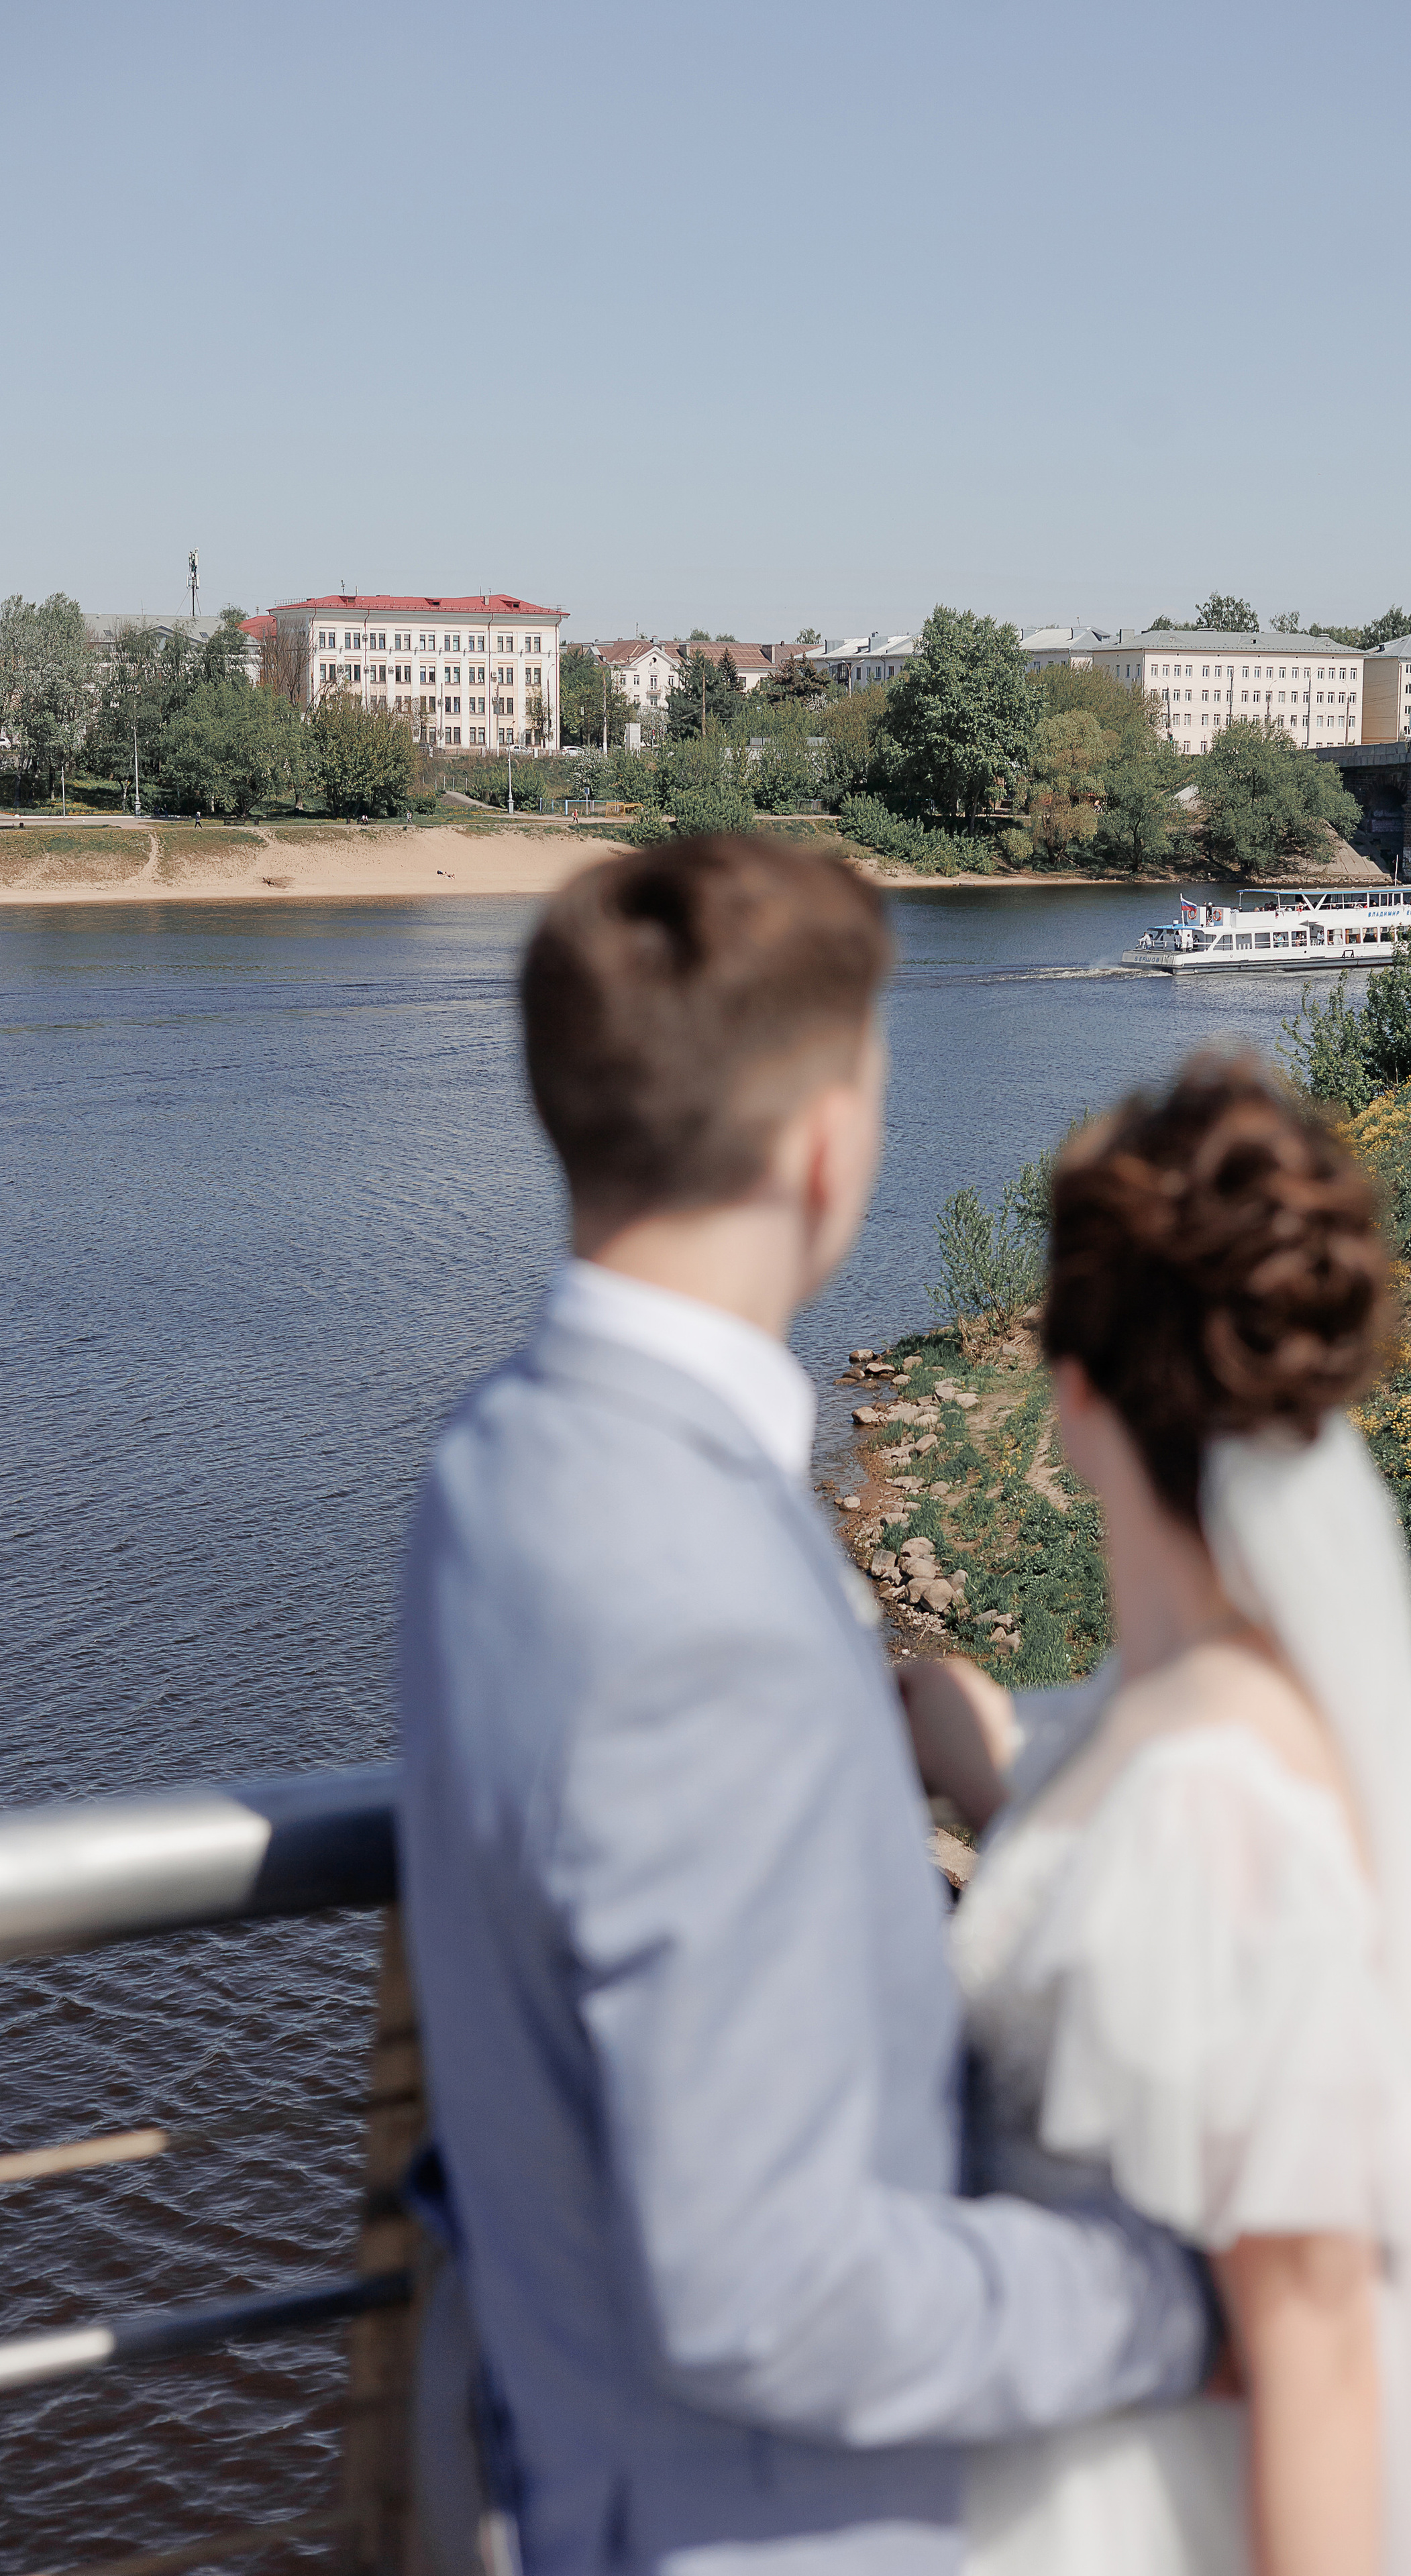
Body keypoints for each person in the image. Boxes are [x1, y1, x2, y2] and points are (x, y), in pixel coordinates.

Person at [396, 837, 1219, 2576]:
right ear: (829, 1147)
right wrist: (1180, 2300)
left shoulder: (493, 1464)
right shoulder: (705, 1616)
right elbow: (769, 2292)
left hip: (562, 2450)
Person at [902, 1056, 1411, 2576]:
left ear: (1071, 1392)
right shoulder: (1189, 1720)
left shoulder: (1208, 1811)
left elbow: (1313, 2360)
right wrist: (987, 1771)